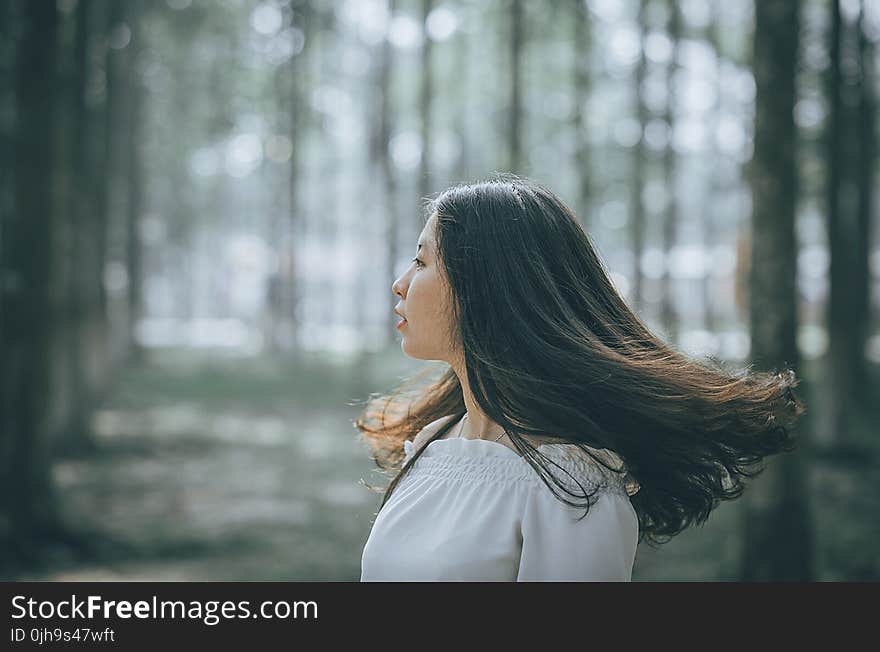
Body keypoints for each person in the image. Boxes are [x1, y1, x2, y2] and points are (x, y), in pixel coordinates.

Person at [356, 173, 805, 581]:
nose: (400, 283)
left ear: (485, 286)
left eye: (420, 262)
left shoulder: (572, 492)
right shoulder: (434, 443)